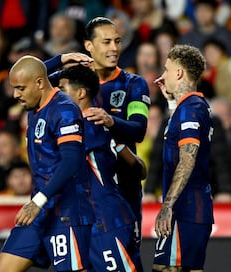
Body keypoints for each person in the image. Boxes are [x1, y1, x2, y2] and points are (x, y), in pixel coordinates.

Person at [0, 55, 94, 272]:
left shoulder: (65, 110)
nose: (15, 94)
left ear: (39, 84)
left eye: (19, 88)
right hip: (38, 214)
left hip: (66, 213)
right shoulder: (34, 101)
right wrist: (62, 58)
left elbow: (71, 161)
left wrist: (38, 201)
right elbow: (34, 72)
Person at [57, 64, 144, 271]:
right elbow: (139, 168)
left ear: (80, 93)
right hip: (101, 218)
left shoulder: (81, 127)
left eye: (61, 89)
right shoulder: (105, 124)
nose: (56, 95)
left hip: (104, 221)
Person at [82, 17, 150, 271]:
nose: (114, 48)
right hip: (86, 193)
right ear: (89, 46)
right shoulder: (74, 84)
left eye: (118, 41)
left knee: (128, 261)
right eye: (106, 42)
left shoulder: (133, 84)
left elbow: (139, 129)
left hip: (124, 189)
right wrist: (60, 60)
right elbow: (31, 79)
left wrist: (111, 121)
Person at [152, 44, 214, 271]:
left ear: (179, 73)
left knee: (166, 268)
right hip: (192, 210)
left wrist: (168, 206)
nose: (163, 74)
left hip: (186, 209)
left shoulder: (191, 109)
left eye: (167, 69)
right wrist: (170, 102)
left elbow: (188, 159)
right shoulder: (190, 108)